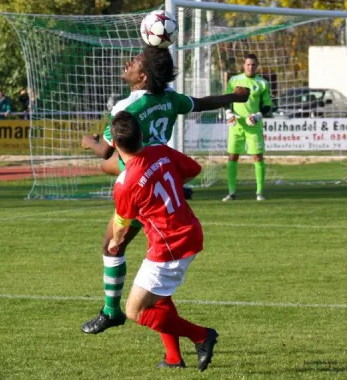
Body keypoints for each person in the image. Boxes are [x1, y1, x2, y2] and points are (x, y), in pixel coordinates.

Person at [80, 46, 249, 335]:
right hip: (162, 172)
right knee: (156, 268)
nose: (128, 62)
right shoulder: (171, 99)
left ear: (143, 76)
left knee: (113, 244)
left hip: (138, 182)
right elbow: (201, 103)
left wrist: (88, 142)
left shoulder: (127, 108)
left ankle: (111, 311)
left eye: (134, 61)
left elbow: (107, 149)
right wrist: (233, 98)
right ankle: (172, 355)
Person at [109, 111, 218, 371]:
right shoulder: (160, 151)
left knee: (135, 311)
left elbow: (122, 225)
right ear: (142, 135)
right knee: (158, 297)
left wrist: (115, 242)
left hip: (169, 246)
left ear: (114, 144)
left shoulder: (125, 183)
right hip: (188, 230)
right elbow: (193, 169)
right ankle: (172, 358)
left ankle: (201, 336)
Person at [222, 53, 273, 202]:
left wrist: (258, 115)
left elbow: (267, 105)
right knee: (232, 156)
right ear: (243, 66)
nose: (250, 67)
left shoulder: (262, 83)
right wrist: (228, 112)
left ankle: (259, 192)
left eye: (253, 65)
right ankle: (231, 193)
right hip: (236, 124)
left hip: (253, 125)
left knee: (257, 156)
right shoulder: (234, 80)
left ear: (257, 66)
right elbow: (227, 99)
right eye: (248, 64)